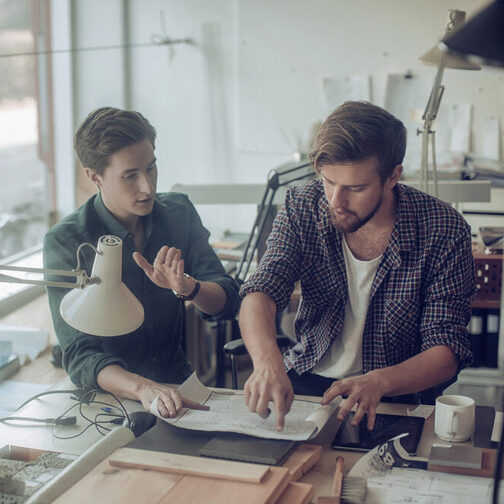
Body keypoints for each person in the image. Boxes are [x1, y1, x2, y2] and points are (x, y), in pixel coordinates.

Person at [239, 101, 476, 432]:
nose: (336, 201)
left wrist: (379, 381)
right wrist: (266, 362)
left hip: (394, 394)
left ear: (393, 176)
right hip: (308, 382)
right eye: (328, 181)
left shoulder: (443, 229)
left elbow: (447, 350)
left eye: (355, 188)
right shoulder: (302, 207)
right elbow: (261, 291)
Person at [44, 107, 240, 418]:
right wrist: (143, 388)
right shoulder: (67, 241)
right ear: (94, 176)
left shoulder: (178, 214)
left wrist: (189, 288)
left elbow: (229, 300)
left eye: (151, 169)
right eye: (130, 175)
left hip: (177, 386)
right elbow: (80, 354)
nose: (147, 186)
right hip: (110, 401)